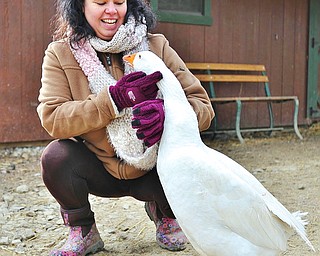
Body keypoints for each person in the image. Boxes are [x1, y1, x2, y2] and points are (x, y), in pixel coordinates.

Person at [37, 0, 215, 255]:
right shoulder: (60, 53)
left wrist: (170, 115)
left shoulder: (156, 46)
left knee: (185, 156)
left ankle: (166, 213)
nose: (112, 10)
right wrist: (112, 101)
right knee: (56, 157)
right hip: (99, 167)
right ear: (80, 6)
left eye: (119, 2)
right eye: (100, 2)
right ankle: (84, 230)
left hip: (154, 169)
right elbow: (52, 118)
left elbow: (202, 106)